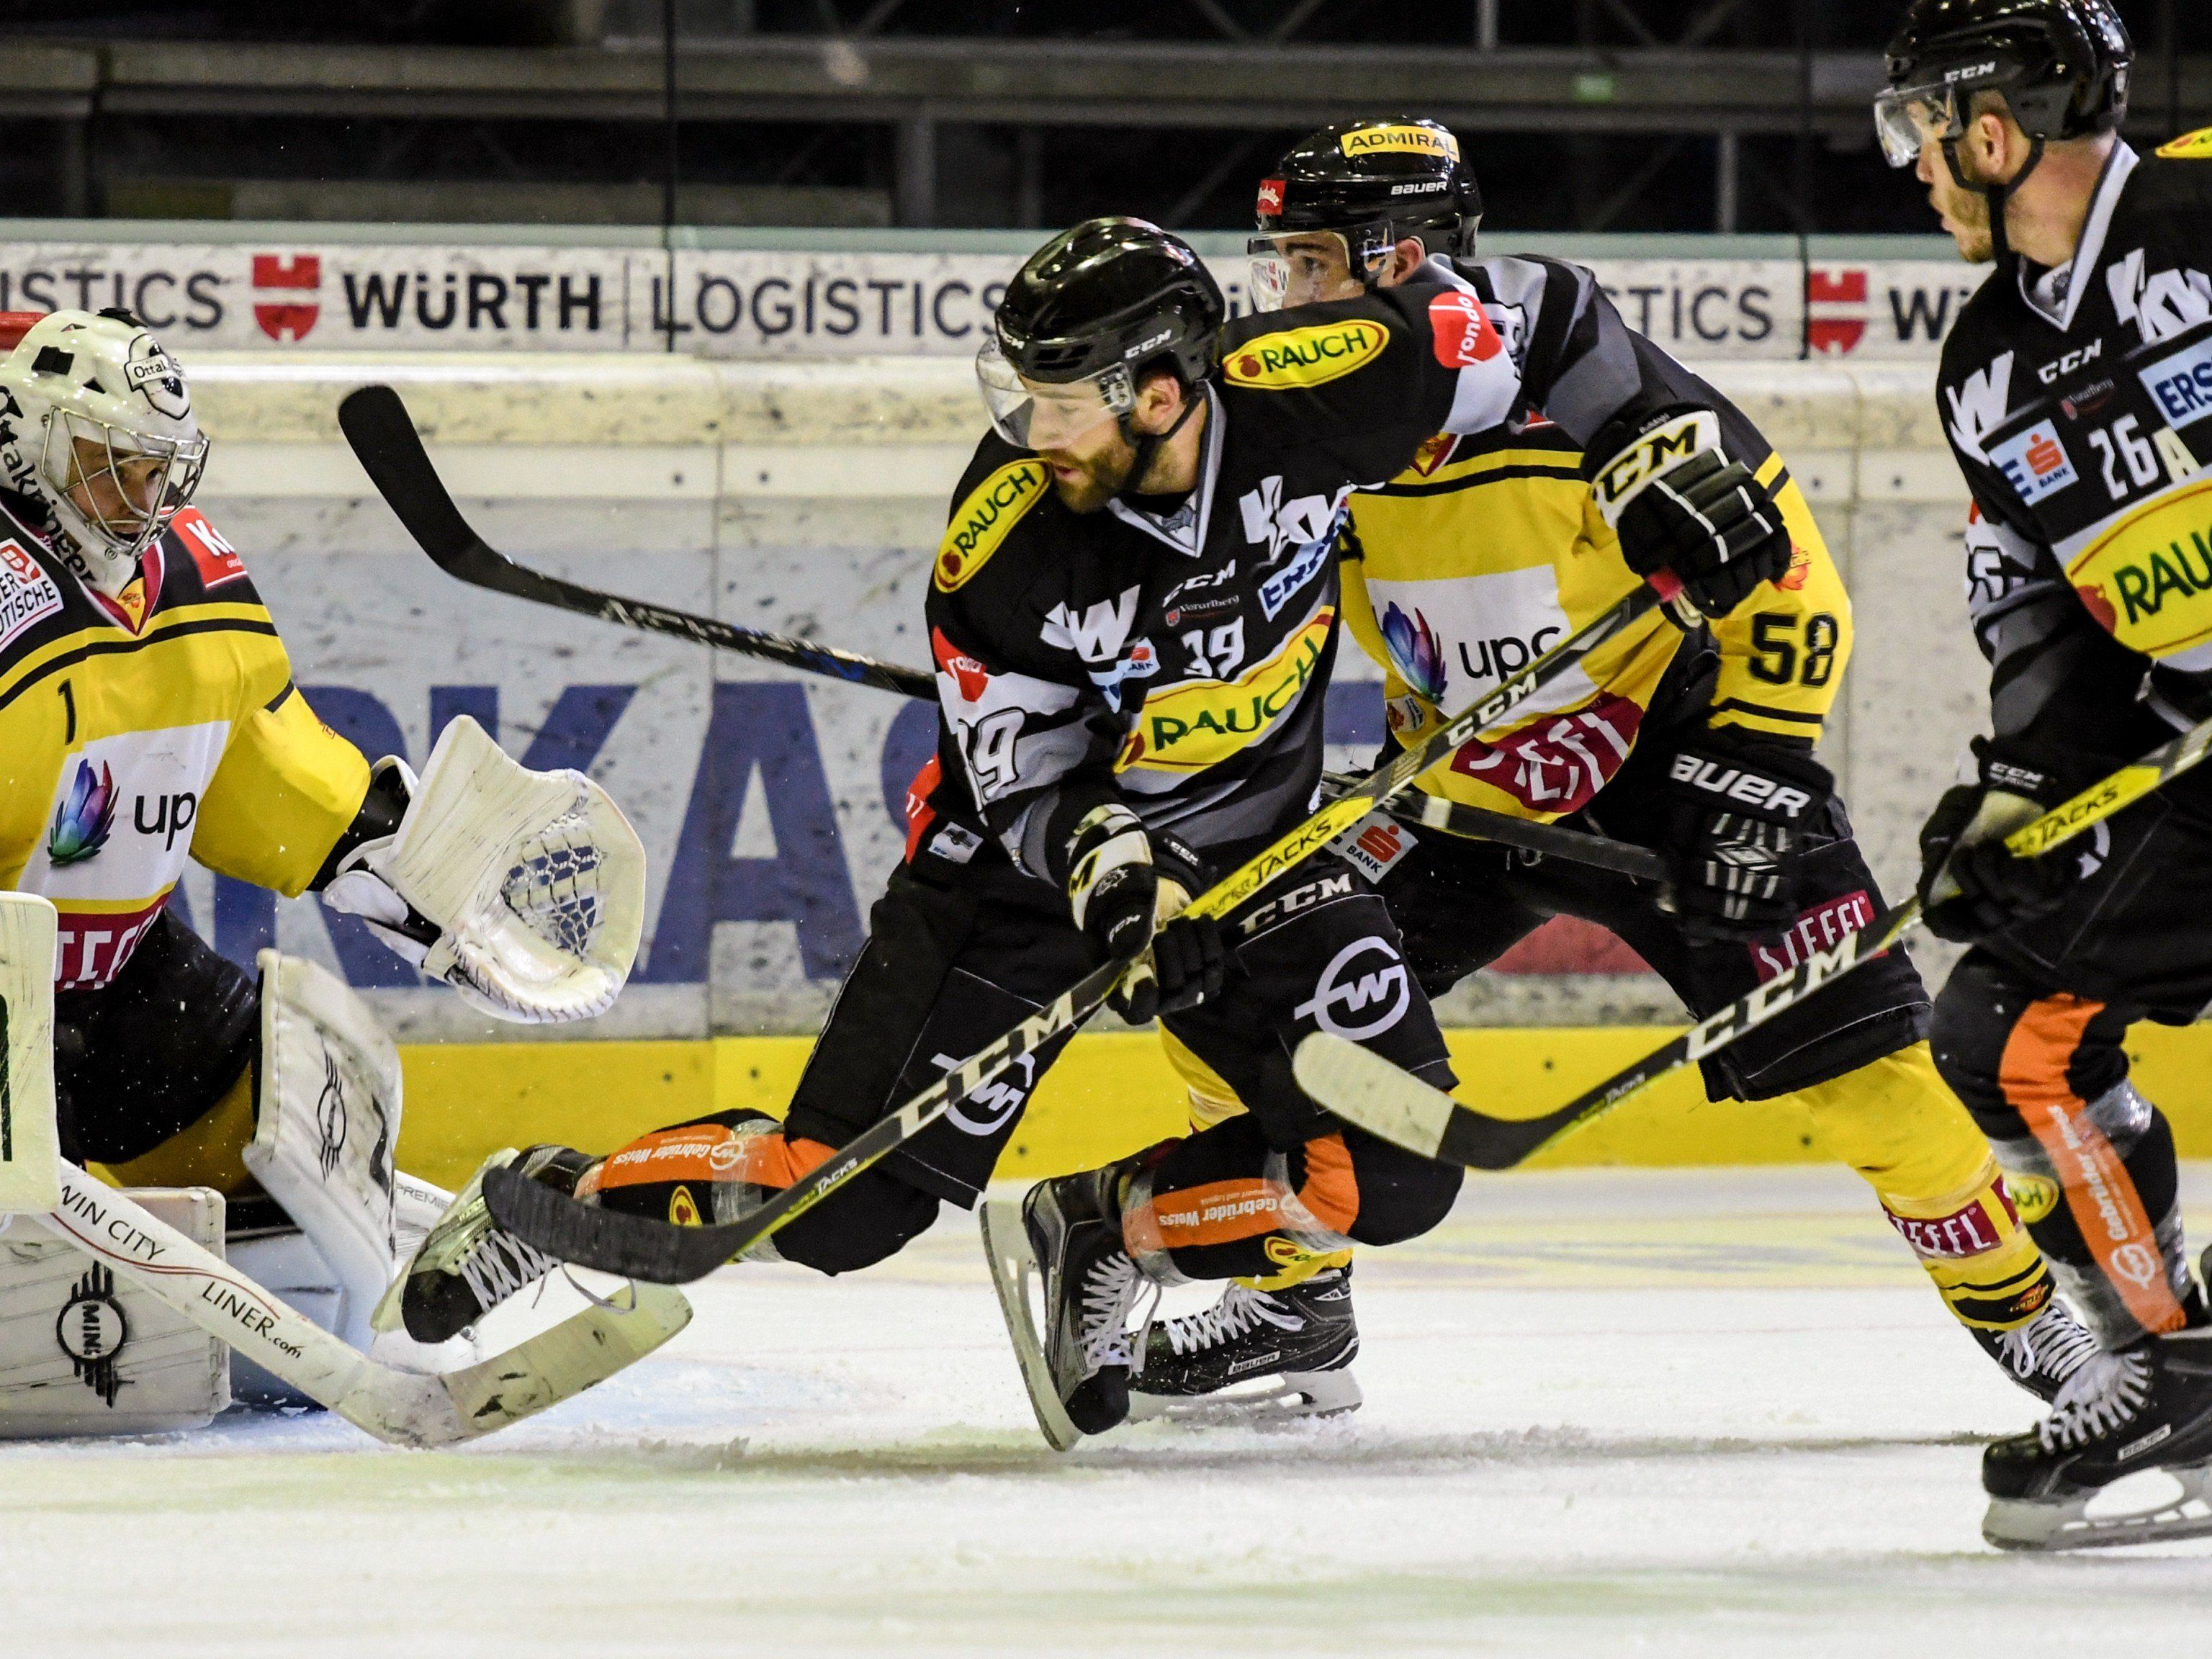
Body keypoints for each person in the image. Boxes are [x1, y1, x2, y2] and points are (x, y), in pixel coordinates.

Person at [395, 213, 1794, 1444]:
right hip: (1022, 880)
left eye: (1058, 401)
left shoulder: (1324, 388)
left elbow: (1540, 313)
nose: (1026, 430)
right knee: (840, 1212)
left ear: (1169, 390)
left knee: (1393, 1170)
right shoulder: (1008, 537)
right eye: (1018, 394)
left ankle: (1096, 1228)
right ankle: (545, 1192)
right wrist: (1124, 888)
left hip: (1261, 854)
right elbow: (1025, 782)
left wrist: (1657, 451)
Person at [1125, 115, 2093, 1424]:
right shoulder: (1308, 441)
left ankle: (2061, 1339)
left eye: (1306, 265)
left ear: (1399, 259)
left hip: (1678, 770)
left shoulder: (1584, 391)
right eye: (1276, 266)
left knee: (1875, 1086)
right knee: (1240, 975)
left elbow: (1793, 581)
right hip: (1462, 788)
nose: (1282, 300)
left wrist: (1754, 763)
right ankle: (1297, 1305)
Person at [0, 307, 644, 1429]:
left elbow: (271, 770)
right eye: (113, 472)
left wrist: (422, 884)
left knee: (281, 1108)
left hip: (115, 979)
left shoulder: (187, 579)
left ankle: (360, 1296)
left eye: (161, 472)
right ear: (27, 445)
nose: (143, 504)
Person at [1879, 0, 2212, 1547]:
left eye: (1923, 138)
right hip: (2194, 737)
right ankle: (2177, 1363)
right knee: (2009, 1028)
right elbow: (2048, 627)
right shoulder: (1987, 364)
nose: (1922, 174)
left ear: (1992, 131)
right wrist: (2018, 785)